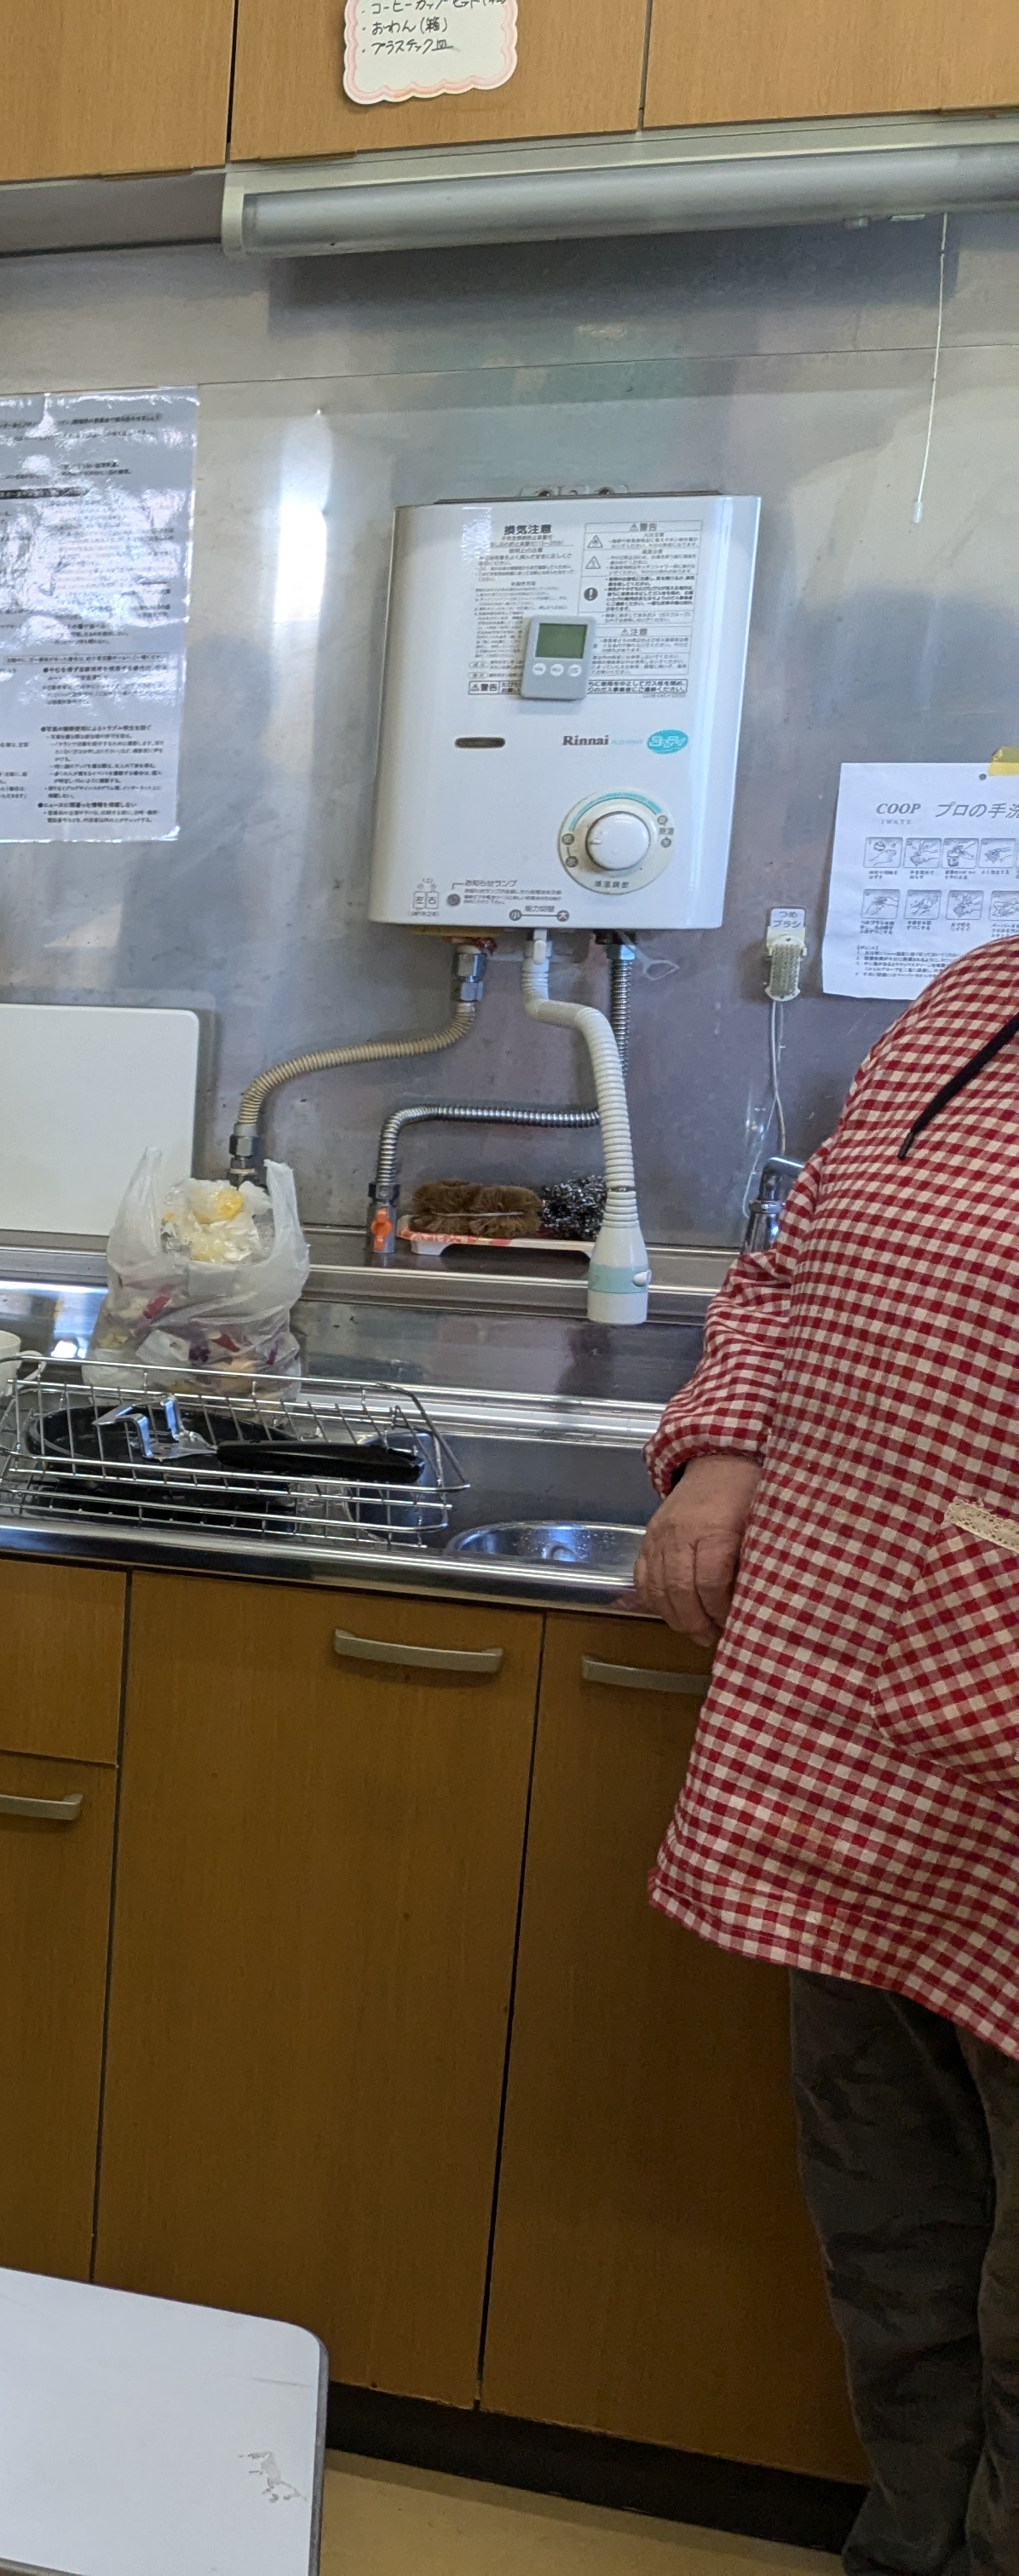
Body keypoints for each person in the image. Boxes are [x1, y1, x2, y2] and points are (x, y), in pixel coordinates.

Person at [631, 937, 1019, 2574]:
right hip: (853, 1719)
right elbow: (788, 1274)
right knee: (895, 2236)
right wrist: (725, 1451)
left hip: (983, 1707)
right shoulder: (975, 997)